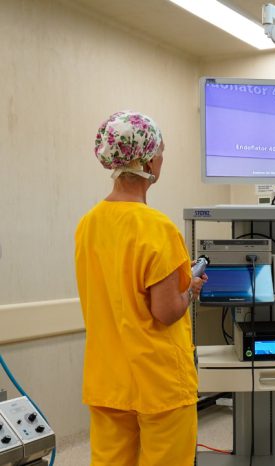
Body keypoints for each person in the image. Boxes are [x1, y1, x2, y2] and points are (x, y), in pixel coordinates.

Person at [74, 111, 206, 466]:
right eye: (161, 151)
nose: (163, 158)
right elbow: (165, 313)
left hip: (107, 380)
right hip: (158, 383)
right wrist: (190, 288)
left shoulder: (88, 224)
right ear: (147, 160)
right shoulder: (157, 228)